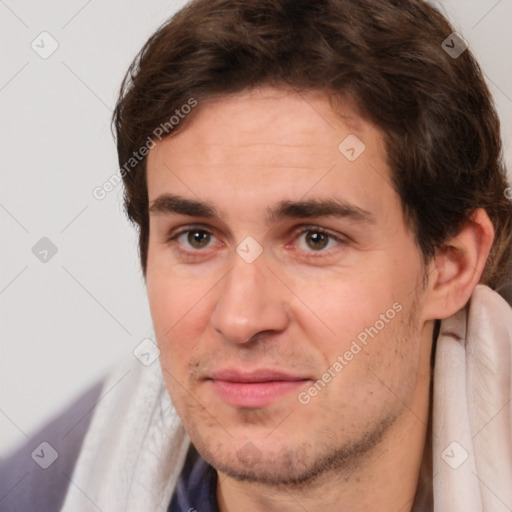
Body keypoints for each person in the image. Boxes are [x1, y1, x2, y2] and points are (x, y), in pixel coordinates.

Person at [2, 0, 512, 511]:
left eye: (315, 239)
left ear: (450, 266)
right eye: (197, 237)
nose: (241, 318)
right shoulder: (50, 488)